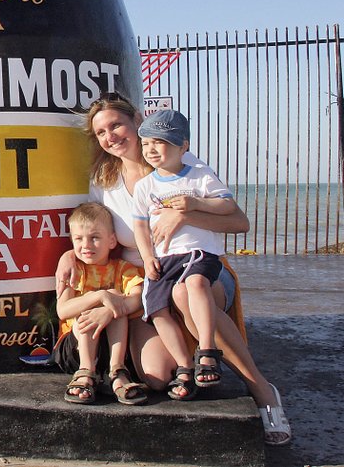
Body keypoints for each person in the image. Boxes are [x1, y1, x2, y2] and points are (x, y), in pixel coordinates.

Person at [56, 93, 291, 443]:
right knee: (155, 377)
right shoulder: (104, 181)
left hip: (199, 268)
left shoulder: (176, 162)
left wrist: (183, 213)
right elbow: (92, 230)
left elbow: (239, 222)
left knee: (188, 294)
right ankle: (191, 356)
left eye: (117, 125)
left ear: (137, 119)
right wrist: (68, 256)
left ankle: (261, 390)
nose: (111, 137)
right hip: (145, 282)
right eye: (101, 132)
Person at [132, 109, 235, 400]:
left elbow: (228, 207)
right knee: (155, 308)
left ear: (183, 146)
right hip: (163, 258)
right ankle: (183, 366)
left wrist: (193, 204)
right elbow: (139, 224)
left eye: (160, 142)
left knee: (194, 284)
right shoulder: (145, 186)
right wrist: (147, 256)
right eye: (146, 143)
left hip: (197, 252)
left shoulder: (200, 176)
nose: (151, 149)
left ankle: (206, 351)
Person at [55, 202, 147, 406]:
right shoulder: (74, 270)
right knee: (95, 304)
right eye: (78, 239)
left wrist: (110, 303)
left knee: (117, 301)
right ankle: (85, 371)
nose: (86, 245)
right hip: (74, 348)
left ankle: (117, 371)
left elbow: (138, 298)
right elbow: (62, 310)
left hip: (113, 346)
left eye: (94, 238)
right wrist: (99, 297)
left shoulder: (124, 268)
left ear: (112, 240)